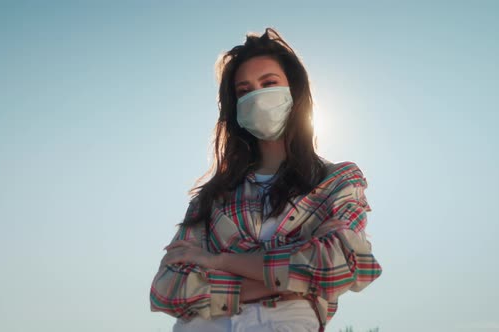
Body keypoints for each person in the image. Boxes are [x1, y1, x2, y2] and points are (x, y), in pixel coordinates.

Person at [150, 27, 382, 332]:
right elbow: (168, 289)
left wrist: (216, 261)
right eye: (244, 91)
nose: (257, 97)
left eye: (268, 83)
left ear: (294, 92)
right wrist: (293, 278)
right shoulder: (213, 196)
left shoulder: (335, 180)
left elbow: (339, 264)